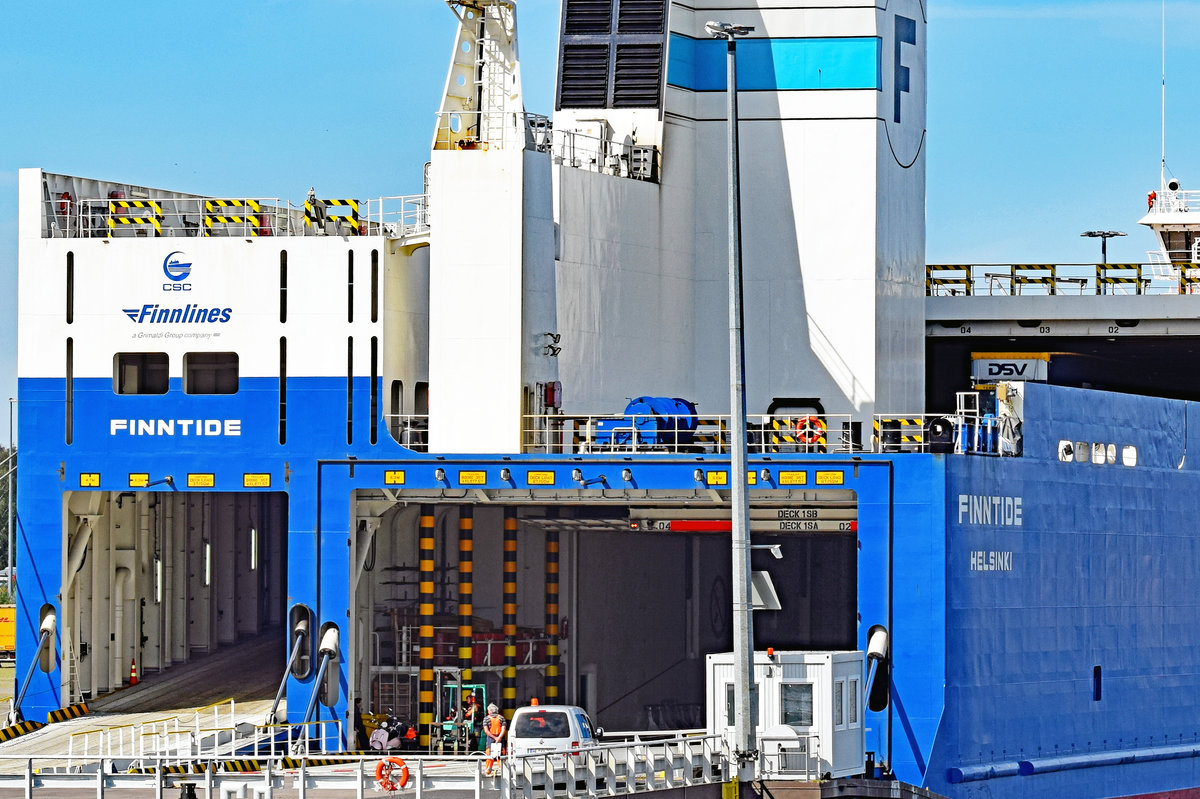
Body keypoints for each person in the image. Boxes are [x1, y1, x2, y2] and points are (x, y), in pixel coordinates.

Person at [483, 703, 506, 777]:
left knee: (489, 754)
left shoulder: (486, 718)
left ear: (489, 711)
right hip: (500, 738)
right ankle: (502, 769)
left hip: (490, 738)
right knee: (501, 754)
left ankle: (488, 769)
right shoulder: (501, 718)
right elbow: (503, 729)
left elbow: (486, 731)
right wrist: (499, 738)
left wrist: (494, 737)